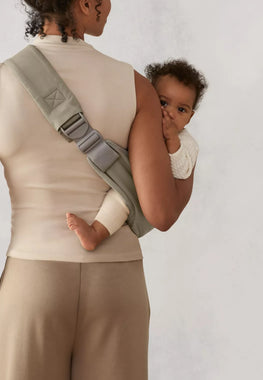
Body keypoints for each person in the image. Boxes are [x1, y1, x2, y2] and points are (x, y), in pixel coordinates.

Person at [0, 0, 194, 380]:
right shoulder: (135, 87)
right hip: (117, 285)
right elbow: (162, 213)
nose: (109, 2)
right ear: (86, 2)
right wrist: (185, 153)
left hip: (32, 283)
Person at [67, 59, 208, 250]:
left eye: (181, 109)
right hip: (121, 174)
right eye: (163, 103)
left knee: (119, 200)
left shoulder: (187, 143)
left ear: (190, 117)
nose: (170, 113)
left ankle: (95, 233)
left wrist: (172, 140)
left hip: (148, 195)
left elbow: (182, 171)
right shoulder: (141, 119)